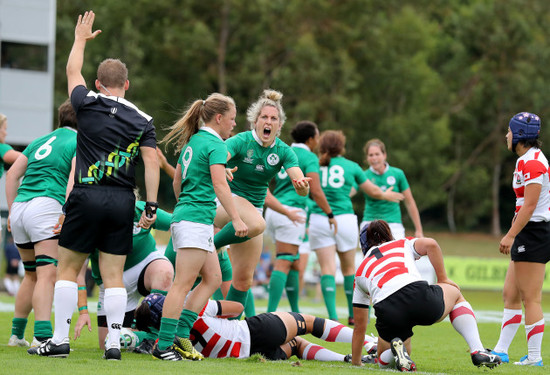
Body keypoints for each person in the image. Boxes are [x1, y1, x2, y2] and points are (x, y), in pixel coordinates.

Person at [34, 11, 159, 360]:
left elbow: (73, 72)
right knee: (113, 274)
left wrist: (80, 39)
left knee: (68, 268)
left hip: (86, 194)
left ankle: (59, 340)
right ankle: (115, 343)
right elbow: (151, 163)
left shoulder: (86, 103)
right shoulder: (144, 120)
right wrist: (150, 205)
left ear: (99, 84)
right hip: (122, 200)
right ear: (127, 85)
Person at [154, 92, 248, 361]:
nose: (233, 124)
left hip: (192, 218)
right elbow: (219, 185)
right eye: (232, 119)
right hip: (195, 220)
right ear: (219, 118)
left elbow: (177, 183)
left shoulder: (194, 141)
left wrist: (189, 201)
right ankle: (163, 345)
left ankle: (182, 334)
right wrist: (237, 218)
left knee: (213, 279)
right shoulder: (216, 145)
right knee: (182, 284)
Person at [350, 220, 501, 371]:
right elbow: (431, 244)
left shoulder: (360, 271)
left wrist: (356, 362)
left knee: (386, 358)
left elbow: (359, 327)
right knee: (455, 294)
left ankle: (395, 351)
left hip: (388, 310)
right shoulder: (402, 243)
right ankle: (477, 350)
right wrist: (443, 279)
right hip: (418, 296)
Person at [213, 89, 310, 317]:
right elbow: (217, 160)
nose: (268, 122)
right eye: (264, 118)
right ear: (255, 122)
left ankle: (234, 329)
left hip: (253, 211)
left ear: (279, 125)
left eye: (273, 119)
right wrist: (222, 167)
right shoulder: (241, 141)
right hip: (225, 203)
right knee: (258, 224)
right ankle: (211, 246)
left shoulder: (283, 151)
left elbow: (299, 180)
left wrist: (303, 187)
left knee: (244, 279)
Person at [308, 130, 403, 324]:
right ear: (341, 146)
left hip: (320, 218)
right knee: (349, 268)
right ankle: (355, 315)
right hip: (344, 219)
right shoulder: (351, 166)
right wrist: (386, 195)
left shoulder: (314, 164)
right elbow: (373, 191)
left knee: (327, 269)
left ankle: (333, 317)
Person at [5, 100, 77, 348]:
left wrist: (12, 209)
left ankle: (16, 335)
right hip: (46, 205)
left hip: (21, 206)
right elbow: (72, 181)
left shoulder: (39, 141)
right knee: (48, 274)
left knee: (32, 275)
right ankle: (43, 336)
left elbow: (12, 174)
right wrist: (66, 211)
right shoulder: (80, 142)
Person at [134, 293, 378, 362]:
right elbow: (237, 307)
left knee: (297, 345)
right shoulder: (192, 309)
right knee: (311, 323)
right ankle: (369, 342)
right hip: (254, 331)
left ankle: (345, 359)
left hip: (250, 355)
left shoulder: (166, 343)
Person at [491, 112, 549, 367]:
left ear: (520, 135)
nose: (507, 135)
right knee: (510, 294)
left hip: (534, 233)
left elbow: (530, 206)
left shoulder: (534, 162)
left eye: (509, 131)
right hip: (526, 231)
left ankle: (535, 357)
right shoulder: (524, 160)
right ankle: (501, 351)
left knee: (531, 298)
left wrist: (511, 234)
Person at [265, 120, 336, 314]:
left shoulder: (283, 150)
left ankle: (296, 312)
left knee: (295, 263)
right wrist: (329, 213)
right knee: (284, 261)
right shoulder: (309, 157)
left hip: (273, 209)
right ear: (311, 139)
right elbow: (316, 190)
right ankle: (269, 313)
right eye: (317, 136)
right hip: (291, 211)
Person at [85, 200, 174, 350]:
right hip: (110, 284)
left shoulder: (141, 209)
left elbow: (178, 224)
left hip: (145, 267)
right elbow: (75, 271)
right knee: (108, 344)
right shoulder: (91, 219)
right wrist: (82, 311)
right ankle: (144, 337)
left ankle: (153, 338)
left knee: (164, 272)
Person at [360, 139, 423, 239]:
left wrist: (419, 230)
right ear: (367, 158)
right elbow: (349, 191)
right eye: (371, 155)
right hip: (370, 223)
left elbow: (409, 202)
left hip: (394, 224)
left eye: (377, 154)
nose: (374, 158)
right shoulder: (363, 175)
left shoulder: (398, 174)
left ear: (384, 155)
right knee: (372, 254)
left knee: (396, 254)